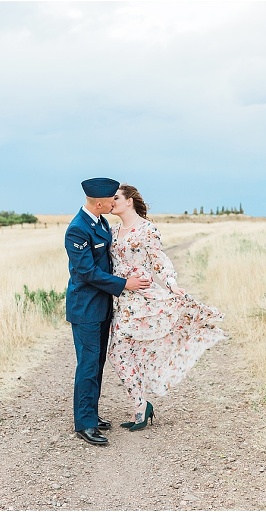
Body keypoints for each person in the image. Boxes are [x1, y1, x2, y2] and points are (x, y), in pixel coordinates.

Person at [107, 184, 226, 431]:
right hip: (121, 300)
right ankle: (142, 404)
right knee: (120, 354)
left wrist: (172, 285)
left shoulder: (147, 229)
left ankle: (141, 407)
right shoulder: (113, 230)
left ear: (129, 201)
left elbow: (160, 261)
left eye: (116, 198)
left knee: (119, 352)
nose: (112, 202)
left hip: (143, 298)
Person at [64, 177, 151, 446]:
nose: (114, 202)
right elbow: (87, 272)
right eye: (111, 200)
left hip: (102, 306)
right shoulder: (78, 229)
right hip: (86, 308)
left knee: (97, 364)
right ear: (99, 202)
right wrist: (126, 284)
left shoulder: (99, 222)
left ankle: (91, 413)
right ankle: (85, 424)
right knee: (88, 365)